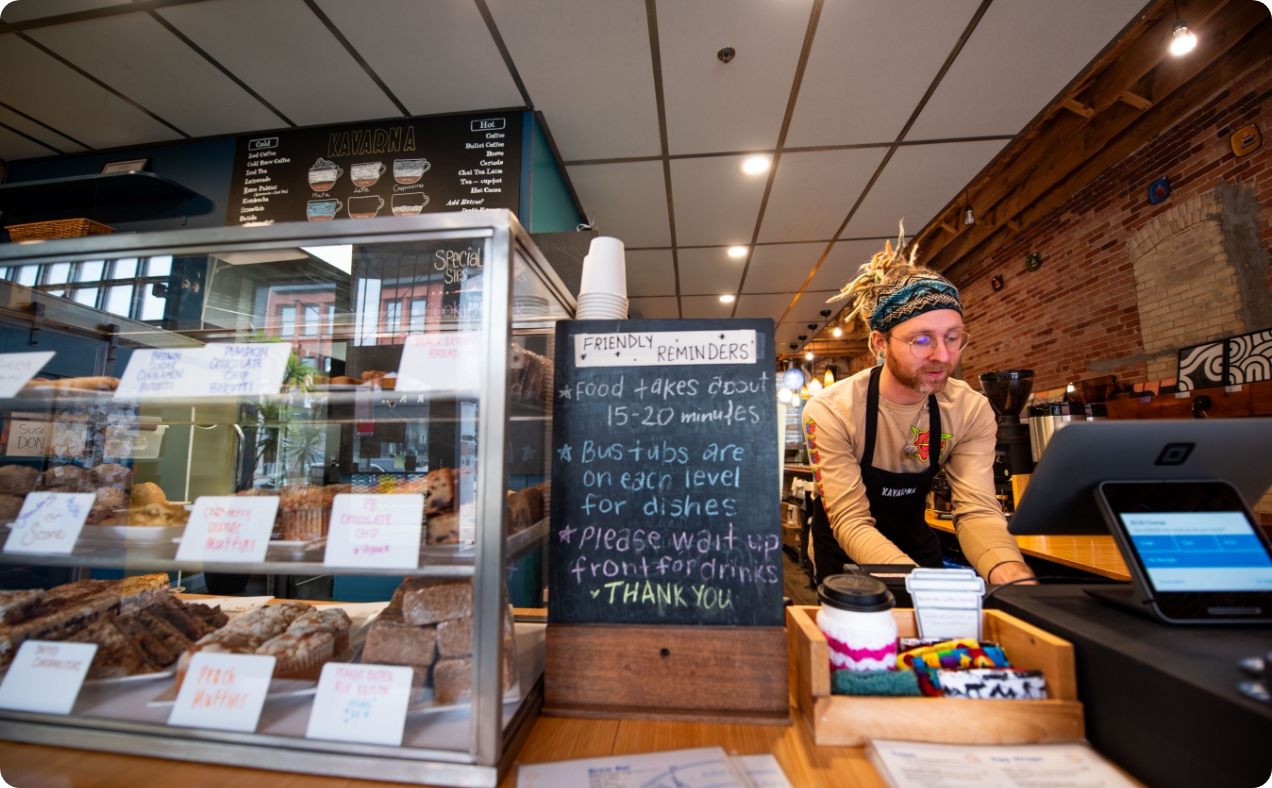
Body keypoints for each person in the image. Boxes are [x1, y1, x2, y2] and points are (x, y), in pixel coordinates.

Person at [801, 226, 1035, 587]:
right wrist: (924, 586)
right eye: (921, 340)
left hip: (918, 552)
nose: (942, 356)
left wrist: (1010, 573)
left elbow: (977, 511)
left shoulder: (970, 410)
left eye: (952, 338)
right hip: (848, 562)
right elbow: (850, 520)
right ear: (880, 342)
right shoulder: (834, 410)